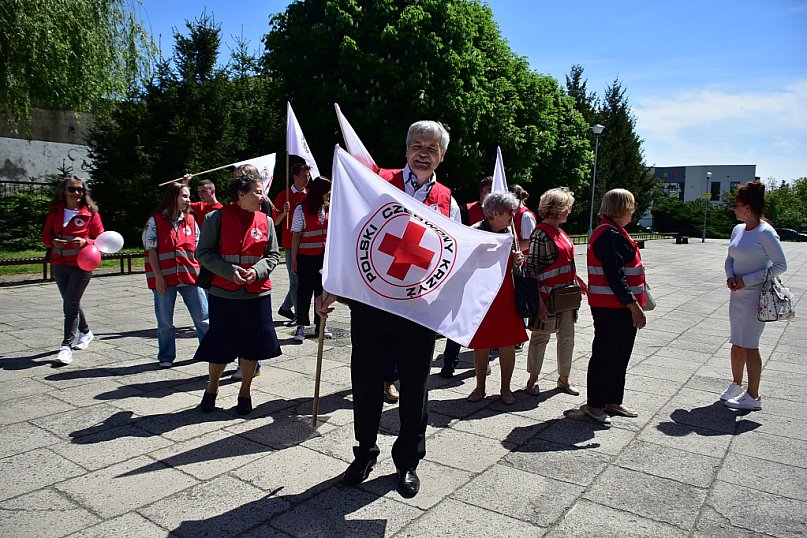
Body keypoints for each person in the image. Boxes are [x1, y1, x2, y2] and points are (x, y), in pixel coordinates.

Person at [316, 120, 459, 497]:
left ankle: (408, 461)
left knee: (415, 387)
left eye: (431, 147)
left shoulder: (448, 200)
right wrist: (330, 284)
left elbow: (457, 255)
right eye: (417, 144)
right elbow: (348, 234)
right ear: (407, 149)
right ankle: (364, 452)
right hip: (372, 307)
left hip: (418, 312)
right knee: (365, 383)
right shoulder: (376, 184)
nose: (423, 152)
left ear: (441, 156)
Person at [195, 165, 282, 416]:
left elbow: (273, 255)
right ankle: (211, 389)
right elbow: (203, 253)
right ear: (240, 195)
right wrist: (229, 271)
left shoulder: (265, 220)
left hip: (257, 294)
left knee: (253, 346)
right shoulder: (216, 218)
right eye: (257, 192)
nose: (262, 197)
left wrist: (257, 271)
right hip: (224, 294)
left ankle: (245, 392)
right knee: (221, 345)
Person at [581, 188, 647, 425]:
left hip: (618, 307)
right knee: (606, 355)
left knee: (620, 355)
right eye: (631, 205)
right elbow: (614, 275)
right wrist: (633, 306)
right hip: (612, 308)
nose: (634, 210)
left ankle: (612, 400)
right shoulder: (608, 234)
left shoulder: (614, 231)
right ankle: (595, 404)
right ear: (622, 209)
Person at [722, 180, 787, 410]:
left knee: (750, 343)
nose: (734, 208)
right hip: (737, 294)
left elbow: (780, 265)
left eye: (736, 204)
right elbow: (731, 258)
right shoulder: (738, 229)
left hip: (755, 295)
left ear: (747, 207)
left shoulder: (766, 232)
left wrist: (747, 280)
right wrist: (730, 275)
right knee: (736, 341)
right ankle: (737, 384)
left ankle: (753, 395)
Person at [465, 191, 529, 405]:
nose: (513, 215)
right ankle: (480, 387)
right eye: (509, 211)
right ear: (493, 213)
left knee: (507, 344)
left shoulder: (509, 232)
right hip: (483, 298)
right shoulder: (475, 232)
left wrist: (518, 259)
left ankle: (506, 389)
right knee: (481, 345)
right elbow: (466, 264)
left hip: (506, 297)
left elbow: (513, 267)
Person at [525, 187, 587, 396]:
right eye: (567, 207)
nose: (569, 211)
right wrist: (538, 303)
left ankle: (564, 379)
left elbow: (565, 262)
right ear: (556, 209)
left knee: (567, 337)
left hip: (566, 296)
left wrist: (578, 280)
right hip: (547, 296)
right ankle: (532, 380)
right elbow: (531, 269)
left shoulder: (560, 231)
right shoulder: (541, 234)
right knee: (540, 337)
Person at [143, 182, 210, 367]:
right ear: (173, 197)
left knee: (204, 318)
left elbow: (198, 248)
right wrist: (158, 277)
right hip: (165, 279)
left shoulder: (190, 220)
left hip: (190, 277)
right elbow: (151, 250)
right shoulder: (155, 221)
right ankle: (166, 356)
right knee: (165, 322)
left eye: (188, 196)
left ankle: (209, 351)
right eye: (185, 196)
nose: (188, 200)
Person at [41, 175, 105, 365]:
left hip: (82, 264)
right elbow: (45, 236)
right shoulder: (55, 211)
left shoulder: (91, 213)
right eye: (72, 189)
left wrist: (86, 241)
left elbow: (101, 238)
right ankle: (85, 332)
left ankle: (66, 346)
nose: (76, 193)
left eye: (80, 190)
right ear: (64, 191)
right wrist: (52, 241)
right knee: (71, 302)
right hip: (60, 263)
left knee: (70, 303)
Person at [440, 176, 492, 377]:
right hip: (465, 272)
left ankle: (483, 359)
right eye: (489, 190)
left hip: (486, 275)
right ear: (482, 192)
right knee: (458, 319)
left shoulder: (501, 214)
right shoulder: (465, 210)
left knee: (482, 320)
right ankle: (449, 362)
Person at [291, 177, 332, 342]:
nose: (329, 194)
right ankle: (300, 326)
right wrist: (293, 260)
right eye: (327, 191)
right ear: (320, 192)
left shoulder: (329, 209)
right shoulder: (301, 209)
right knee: (304, 292)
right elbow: (296, 236)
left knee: (322, 292)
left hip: (324, 258)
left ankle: (321, 324)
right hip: (306, 258)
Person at [273, 156, 311, 324]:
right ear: (295, 177)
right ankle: (299, 315)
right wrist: (284, 212)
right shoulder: (284, 196)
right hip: (290, 245)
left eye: (308, 176)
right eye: (304, 176)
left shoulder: (311, 195)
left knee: (301, 281)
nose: (307, 179)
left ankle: (286, 308)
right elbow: (275, 221)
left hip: (308, 245)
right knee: (295, 281)